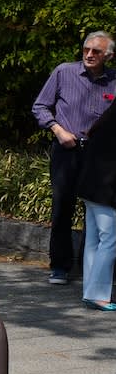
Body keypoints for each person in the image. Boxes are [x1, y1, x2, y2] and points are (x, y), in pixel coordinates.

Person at [33, 31, 116, 284]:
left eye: (96, 51)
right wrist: (58, 131)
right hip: (66, 149)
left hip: (100, 157)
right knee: (62, 207)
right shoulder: (64, 72)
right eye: (86, 49)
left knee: (96, 211)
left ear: (109, 56)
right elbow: (40, 106)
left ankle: (91, 270)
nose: (89, 54)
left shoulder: (114, 80)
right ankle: (60, 266)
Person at [78, 110, 116, 311]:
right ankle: (98, 295)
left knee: (94, 241)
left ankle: (90, 291)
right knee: (110, 240)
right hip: (105, 190)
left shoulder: (105, 120)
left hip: (91, 187)